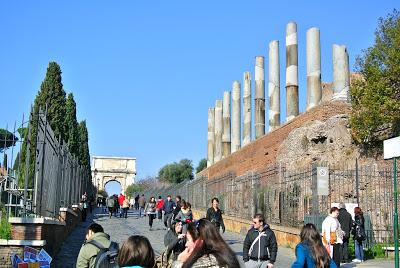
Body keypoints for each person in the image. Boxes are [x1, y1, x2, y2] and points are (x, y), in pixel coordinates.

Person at [173, 219, 240, 268]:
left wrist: (180, 262)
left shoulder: (204, 263)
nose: (186, 244)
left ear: (199, 241)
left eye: (188, 240)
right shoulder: (227, 256)